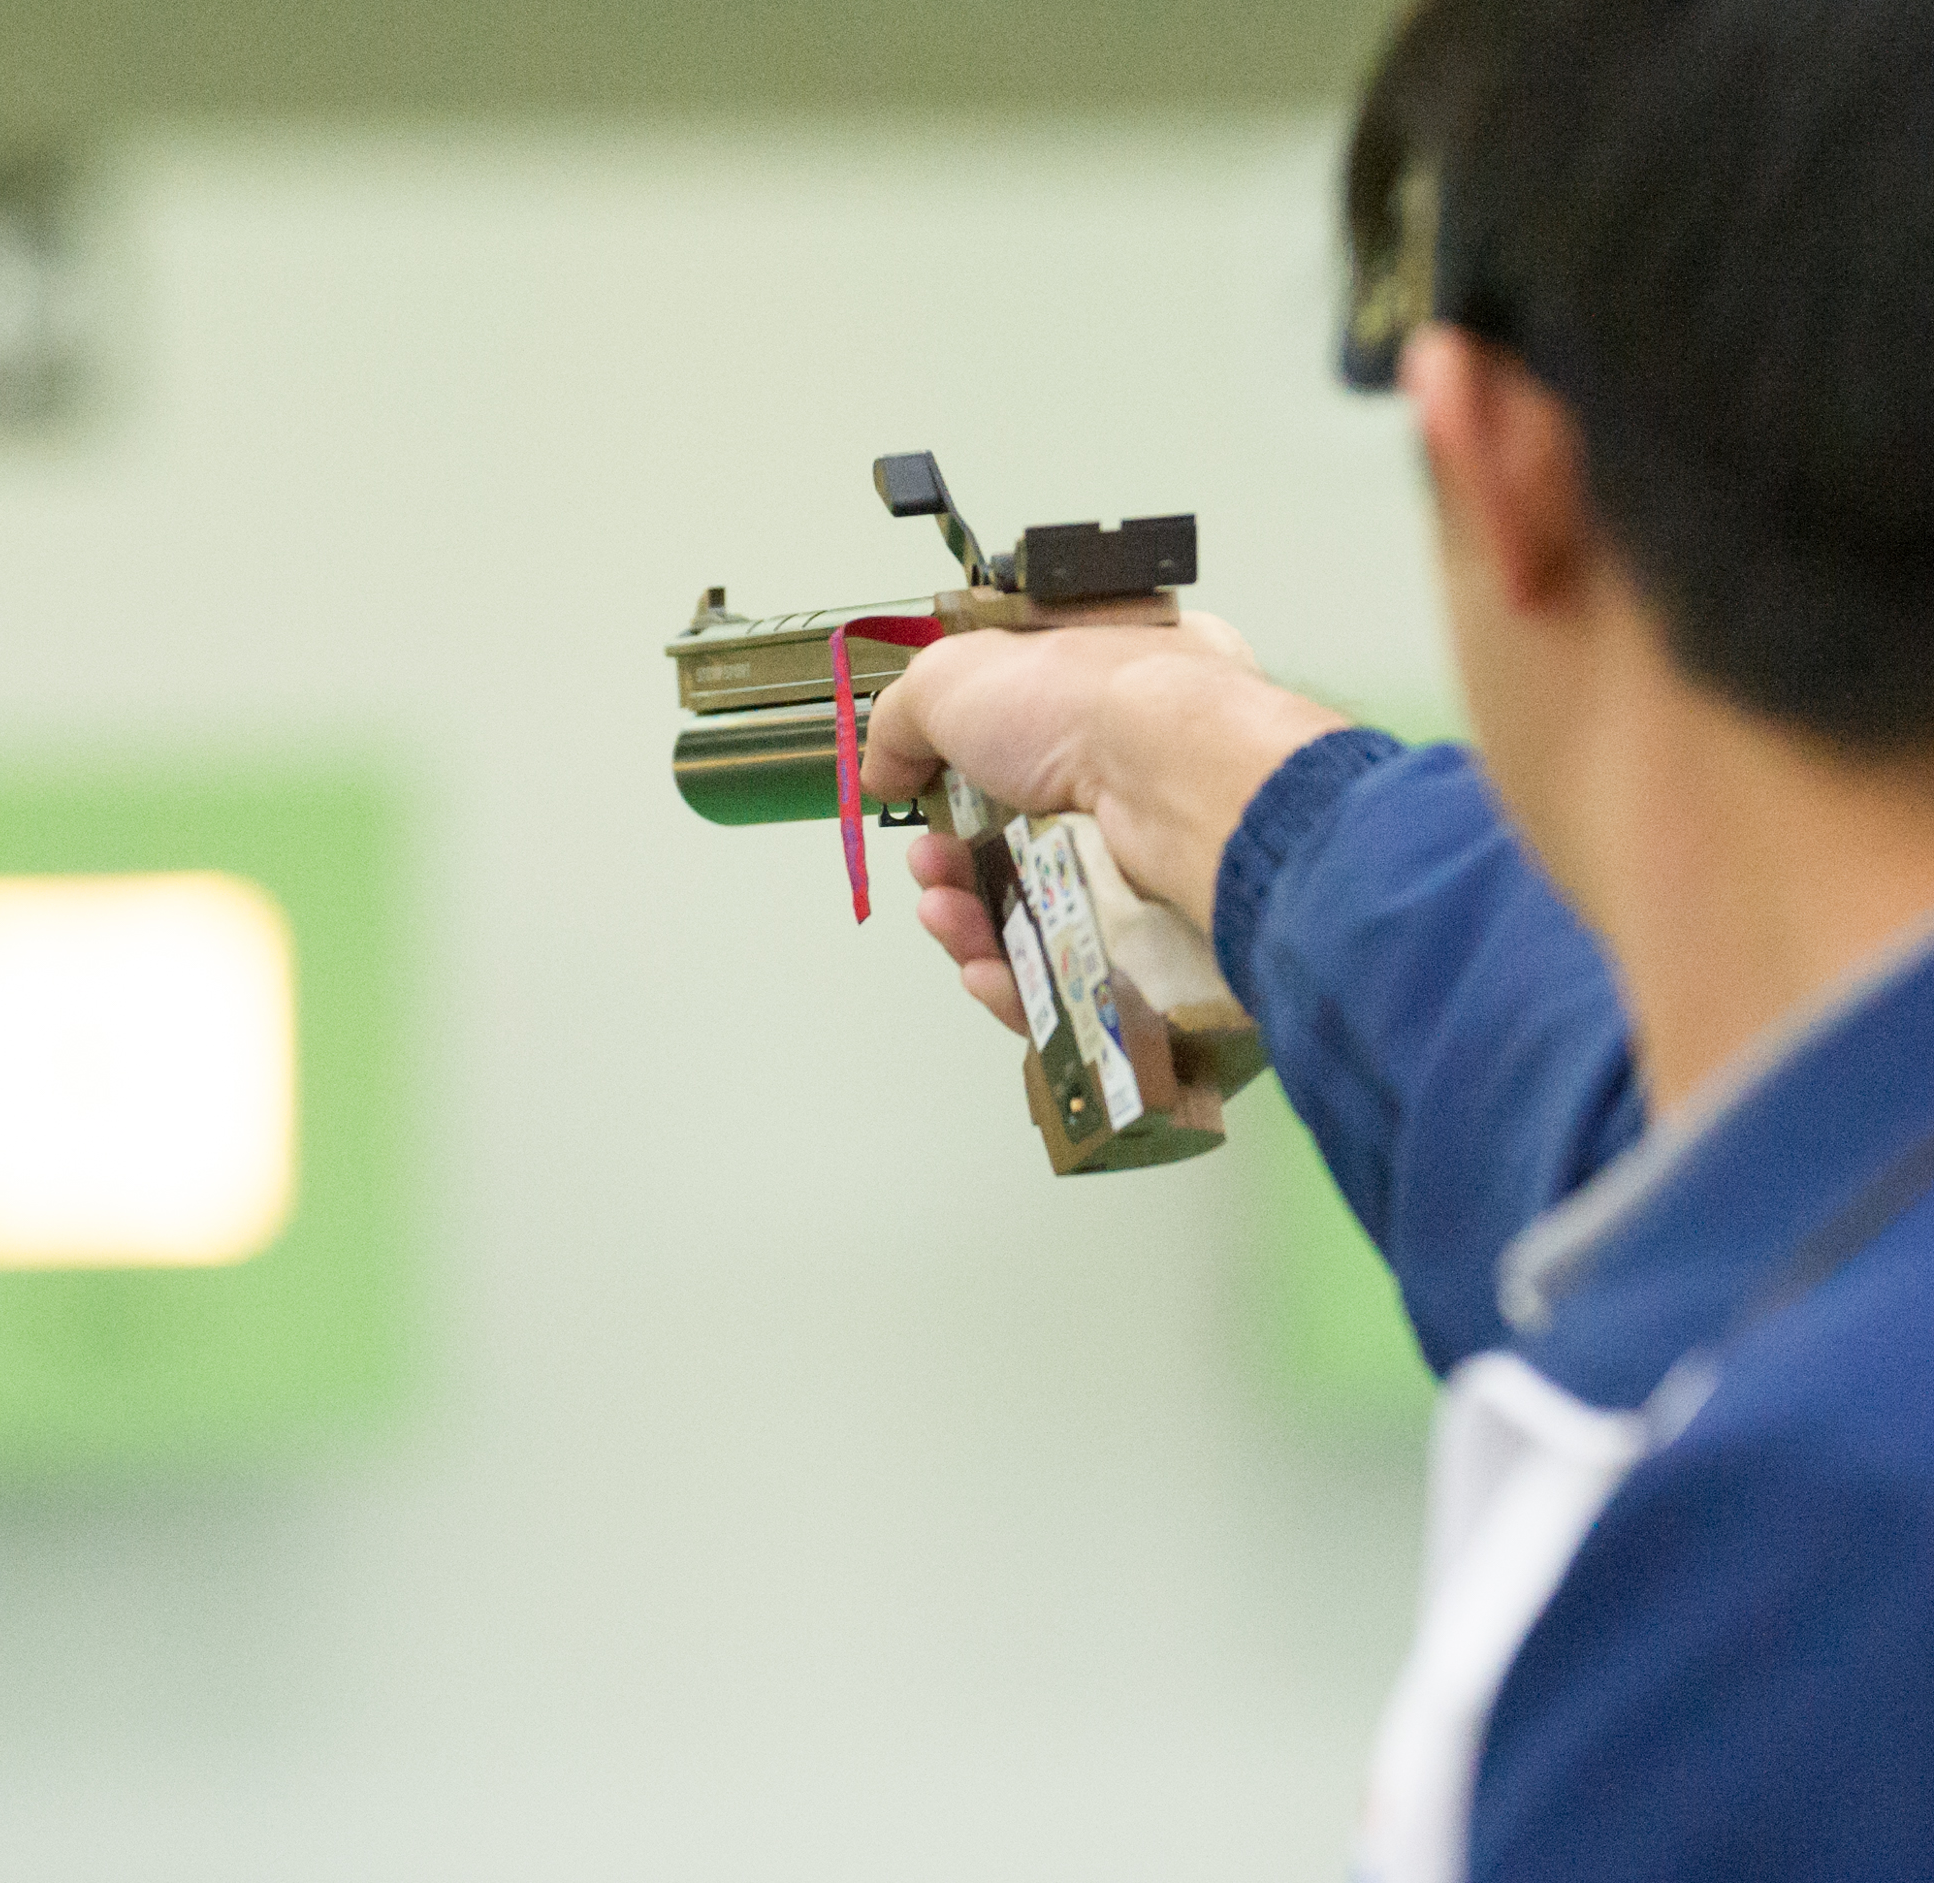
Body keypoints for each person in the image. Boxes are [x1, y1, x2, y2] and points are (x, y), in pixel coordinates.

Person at [860, 0, 1934, 1877]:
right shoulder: (1831, 1220)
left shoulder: (1792, 1576)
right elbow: (1655, 1109)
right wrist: (1201, 772)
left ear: (1497, 448)